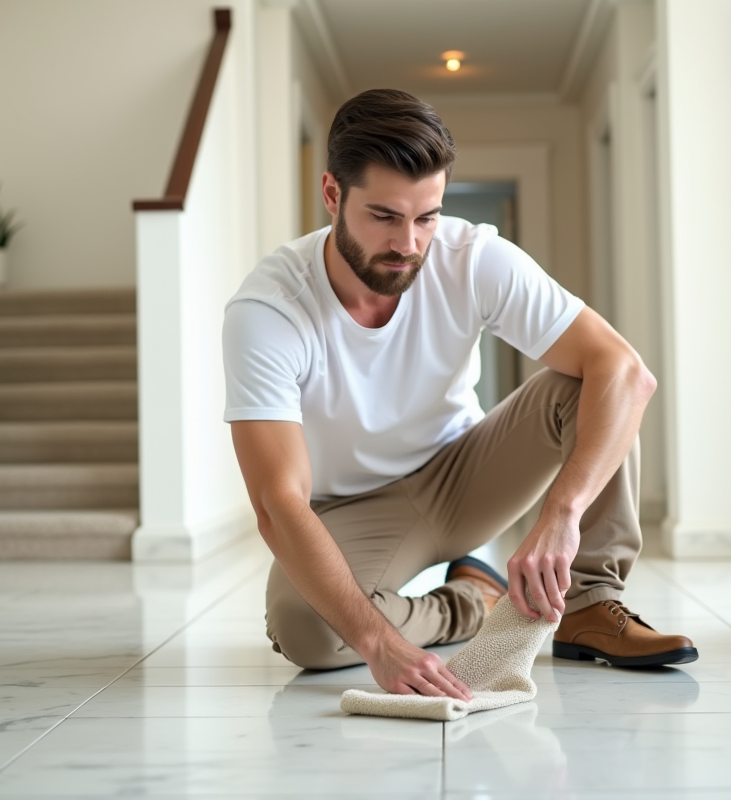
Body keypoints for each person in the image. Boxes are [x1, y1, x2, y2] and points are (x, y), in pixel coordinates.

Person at [223, 88, 697, 702]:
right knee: (305, 630)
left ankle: (588, 605)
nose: (409, 243)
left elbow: (627, 372)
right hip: (351, 508)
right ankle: (472, 599)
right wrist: (378, 642)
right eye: (384, 216)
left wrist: (562, 514)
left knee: (592, 382)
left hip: (466, 476)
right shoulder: (269, 310)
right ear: (333, 195)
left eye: (427, 217)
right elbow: (278, 502)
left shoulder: (471, 257)